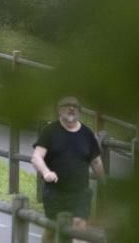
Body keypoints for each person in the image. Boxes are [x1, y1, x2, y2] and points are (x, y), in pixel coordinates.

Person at [31, 96, 105, 243]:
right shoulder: (50, 131)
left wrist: (104, 181)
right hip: (55, 192)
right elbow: (36, 157)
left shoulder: (87, 134)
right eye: (67, 105)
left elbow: (96, 161)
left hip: (80, 193)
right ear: (59, 110)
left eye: (75, 106)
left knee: (79, 227)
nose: (72, 109)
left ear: (79, 111)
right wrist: (46, 172)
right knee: (53, 230)